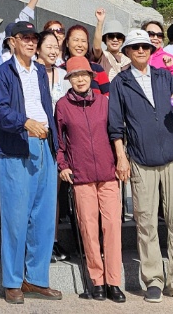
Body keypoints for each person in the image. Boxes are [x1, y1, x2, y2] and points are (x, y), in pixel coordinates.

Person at [108, 29, 173, 303]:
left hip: (172, 156)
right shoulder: (120, 82)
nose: (142, 51)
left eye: (145, 46)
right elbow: (115, 124)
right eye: (136, 48)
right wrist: (121, 157)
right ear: (128, 53)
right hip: (141, 159)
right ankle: (153, 280)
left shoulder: (164, 76)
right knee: (145, 223)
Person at [0, 19, 63, 304]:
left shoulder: (41, 72)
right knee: (16, 218)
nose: (31, 42)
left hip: (45, 145)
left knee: (44, 218)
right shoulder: (4, 73)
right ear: (12, 41)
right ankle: (12, 281)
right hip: (17, 147)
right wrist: (24, 123)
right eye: (25, 38)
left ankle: (36, 279)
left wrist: (53, 142)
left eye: (34, 38)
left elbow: (47, 109)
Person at [54, 55, 123, 303]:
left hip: (108, 174)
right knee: (89, 229)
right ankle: (97, 280)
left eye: (84, 75)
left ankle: (114, 281)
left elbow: (116, 133)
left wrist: (120, 159)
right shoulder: (62, 105)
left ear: (92, 77)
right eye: (75, 76)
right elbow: (59, 141)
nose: (80, 79)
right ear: (69, 79)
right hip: (81, 176)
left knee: (112, 226)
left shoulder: (105, 103)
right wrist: (63, 165)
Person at [61, 25, 109, 93]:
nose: (80, 45)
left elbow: (108, 95)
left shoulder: (97, 69)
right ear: (67, 43)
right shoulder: (60, 70)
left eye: (83, 41)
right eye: (76, 40)